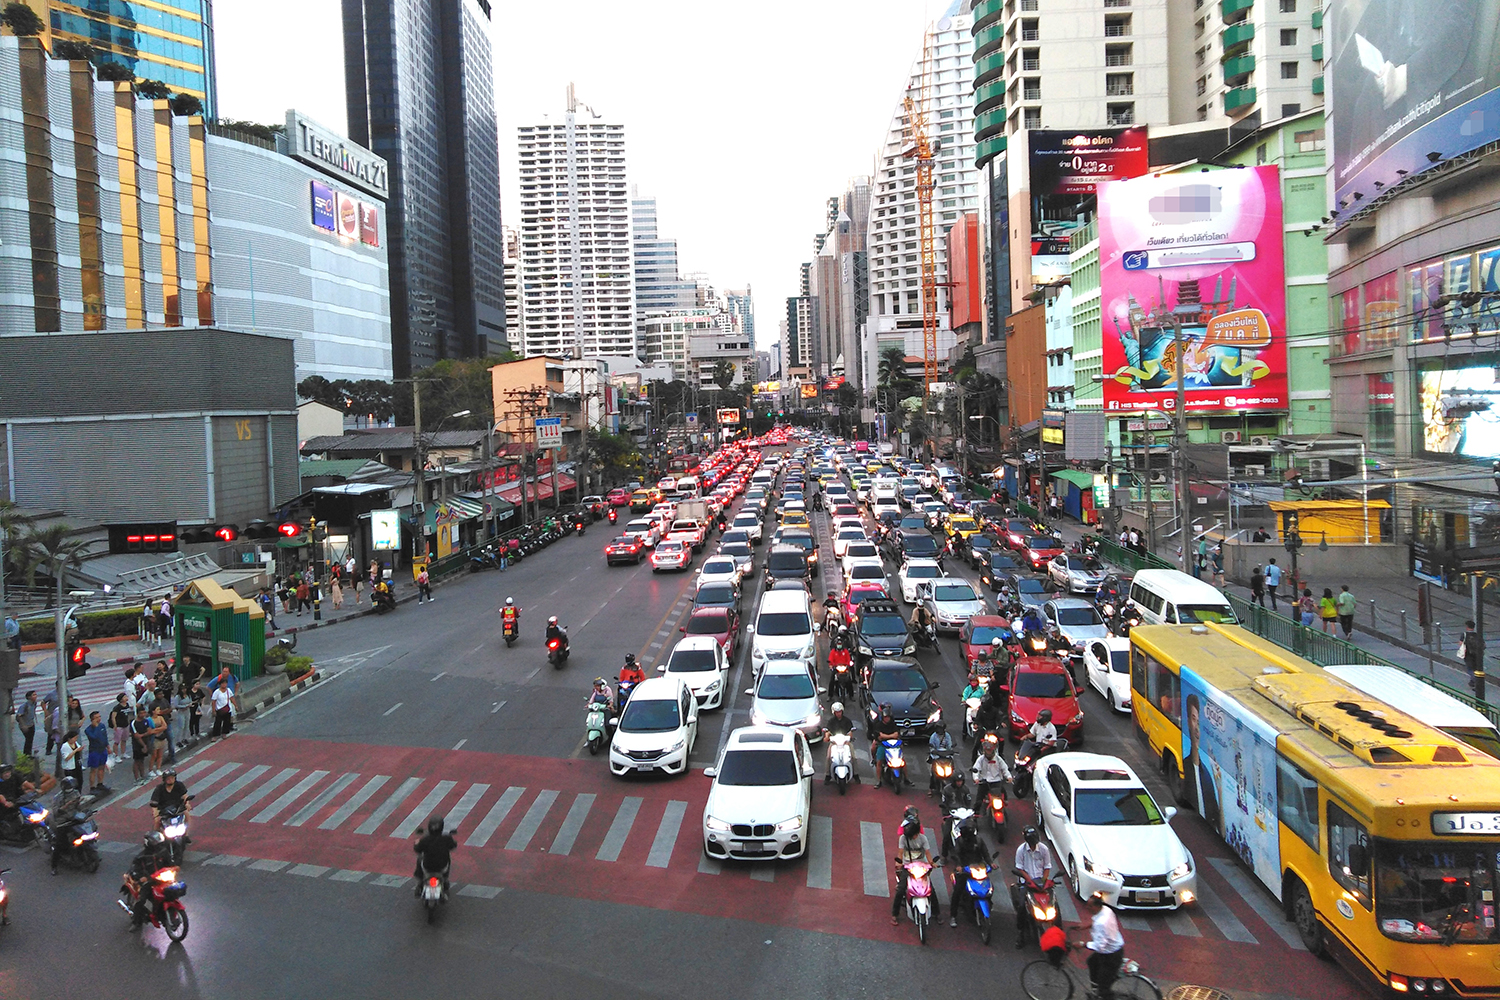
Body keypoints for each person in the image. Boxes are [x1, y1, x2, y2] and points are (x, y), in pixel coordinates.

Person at [946, 813, 993, 928]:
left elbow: (985, 853)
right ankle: (953, 916)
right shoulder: (959, 841)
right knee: (957, 892)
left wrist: (990, 863)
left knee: (989, 887)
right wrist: (959, 866)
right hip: (964, 869)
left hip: (978, 868)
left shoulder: (979, 841)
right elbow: (956, 854)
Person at [1076, 891, 1126, 997]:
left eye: (1090, 906)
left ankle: (1102, 993)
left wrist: (1082, 944)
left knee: (1104, 990)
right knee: (1092, 962)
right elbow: (1098, 921)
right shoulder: (1106, 910)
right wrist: (1088, 925)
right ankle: (1095, 989)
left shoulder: (1100, 924)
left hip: (1111, 955)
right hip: (1114, 947)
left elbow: (1099, 946)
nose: (1087, 908)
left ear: (1096, 906)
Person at [1183, 693, 1221, 829]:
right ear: (1188, 721)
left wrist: (1220, 791)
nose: (1197, 729)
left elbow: (1219, 826)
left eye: (1199, 722)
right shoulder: (1184, 766)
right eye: (1194, 720)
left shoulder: (1207, 776)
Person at [1013, 825, 1056, 948]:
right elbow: (1019, 868)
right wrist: (1030, 881)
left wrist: (1043, 881)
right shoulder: (1021, 850)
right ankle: (1020, 933)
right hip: (1027, 883)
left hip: (1041, 883)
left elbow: (1047, 867)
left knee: (1053, 905)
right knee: (1021, 906)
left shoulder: (1044, 849)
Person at [891, 811, 934, 925]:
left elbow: (928, 853)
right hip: (907, 867)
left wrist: (931, 863)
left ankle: (937, 913)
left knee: (931, 890)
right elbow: (900, 852)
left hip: (922, 866)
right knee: (900, 890)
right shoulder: (903, 839)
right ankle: (895, 914)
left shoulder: (923, 838)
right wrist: (899, 863)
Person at [123, 831, 174, 927]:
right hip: (148, 881)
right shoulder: (141, 857)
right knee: (141, 901)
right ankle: (136, 922)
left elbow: (170, 864)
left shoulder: (163, 852)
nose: (158, 846)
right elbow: (135, 869)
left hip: (162, 879)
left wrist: (174, 868)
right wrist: (142, 878)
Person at [413, 815, 458, 897]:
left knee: (419, 858)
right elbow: (453, 846)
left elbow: (417, 849)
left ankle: (419, 882)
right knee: (448, 859)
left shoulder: (425, 840)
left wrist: (416, 843)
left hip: (427, 866)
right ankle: (445, 879)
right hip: (442, 867)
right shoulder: (446, 838)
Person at [48, 776, 84, 875]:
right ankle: (54, 866)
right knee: (59, 844)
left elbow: (78, 807)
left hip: (74, 818)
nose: (71, 790)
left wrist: (80, 803)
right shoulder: (58, 798)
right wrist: (66, 805)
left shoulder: (76, 793)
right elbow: (56, 812)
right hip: (62, 821)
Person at [822, 702, 857, 783]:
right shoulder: (831, 721)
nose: (838, 714)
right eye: (836, 712)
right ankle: (827, 775)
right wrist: (827, 737)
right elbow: (828, 731)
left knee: (853, 757)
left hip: (845, 742)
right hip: (834, 743)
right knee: (828, 758)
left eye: (840, 712)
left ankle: (856, 774)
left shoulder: (847, 720)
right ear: (833, 712)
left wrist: (849, 738)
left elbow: (850, 731)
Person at [869, 703, 901, 776]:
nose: (887, 719)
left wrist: (885, 736)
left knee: (902, 760)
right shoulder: (878, 722)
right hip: (882, 744)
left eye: (888, 717)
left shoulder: (893, 723)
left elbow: (896, 734)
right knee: (878, 760)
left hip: (893, 744)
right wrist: (891, 736)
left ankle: (906, 778)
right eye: (886, 717)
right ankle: (878, 780)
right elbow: (879, 735)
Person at [84, 711, 110, 795]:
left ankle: (100, 783)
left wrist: (108, 747)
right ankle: (92, 787)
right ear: (92, 719)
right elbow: (94, 737)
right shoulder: (88, 730)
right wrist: (95, 727)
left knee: (102, 767)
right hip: (94, 751)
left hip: (102, 750)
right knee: (93, 769)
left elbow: (105, 737)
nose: (99, 719)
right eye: (97, 717)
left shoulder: (102, 726)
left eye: (99, 717)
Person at [926, 721, 955, 795]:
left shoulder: (947, 736)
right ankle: (931, 789)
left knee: (953, 770)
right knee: (933, 773)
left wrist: (951, 751)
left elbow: (949, 745)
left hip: (946, 756)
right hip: (936, 756)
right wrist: (933, 751)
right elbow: (931, 746)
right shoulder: (933, 736)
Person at [1463, 620, 1486, 698]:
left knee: (1470, 669)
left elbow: (1461, 644)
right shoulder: (1477, 635)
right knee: (1476, 668)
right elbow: (1484, 645)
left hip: (1468, 655)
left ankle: (1477, 683)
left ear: (1467, 627)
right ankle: (1472, 682)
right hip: (1478, 655)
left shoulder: (1465, 635)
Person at [108, 694, 131, 764]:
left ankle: (123, 753)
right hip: (119, 726)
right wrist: (115, 725)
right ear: (121, 699)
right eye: (124, 697)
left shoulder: (127, 705)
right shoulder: (117, 707)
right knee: (117, 741)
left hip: (125, 725)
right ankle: (116, 755)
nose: (126, 698)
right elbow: (113, 717)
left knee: (124, 740)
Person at [16, 691, 35, 758]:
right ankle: (26, 754)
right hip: (25, 725)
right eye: (33, 695)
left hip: (31, 724)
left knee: (30, 739)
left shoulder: (34, 704)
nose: (35, 696)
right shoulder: (25, 706)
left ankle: (28, 753)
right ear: (29, 697)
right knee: (28, 739)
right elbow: (19, 716)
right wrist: (23, 725)